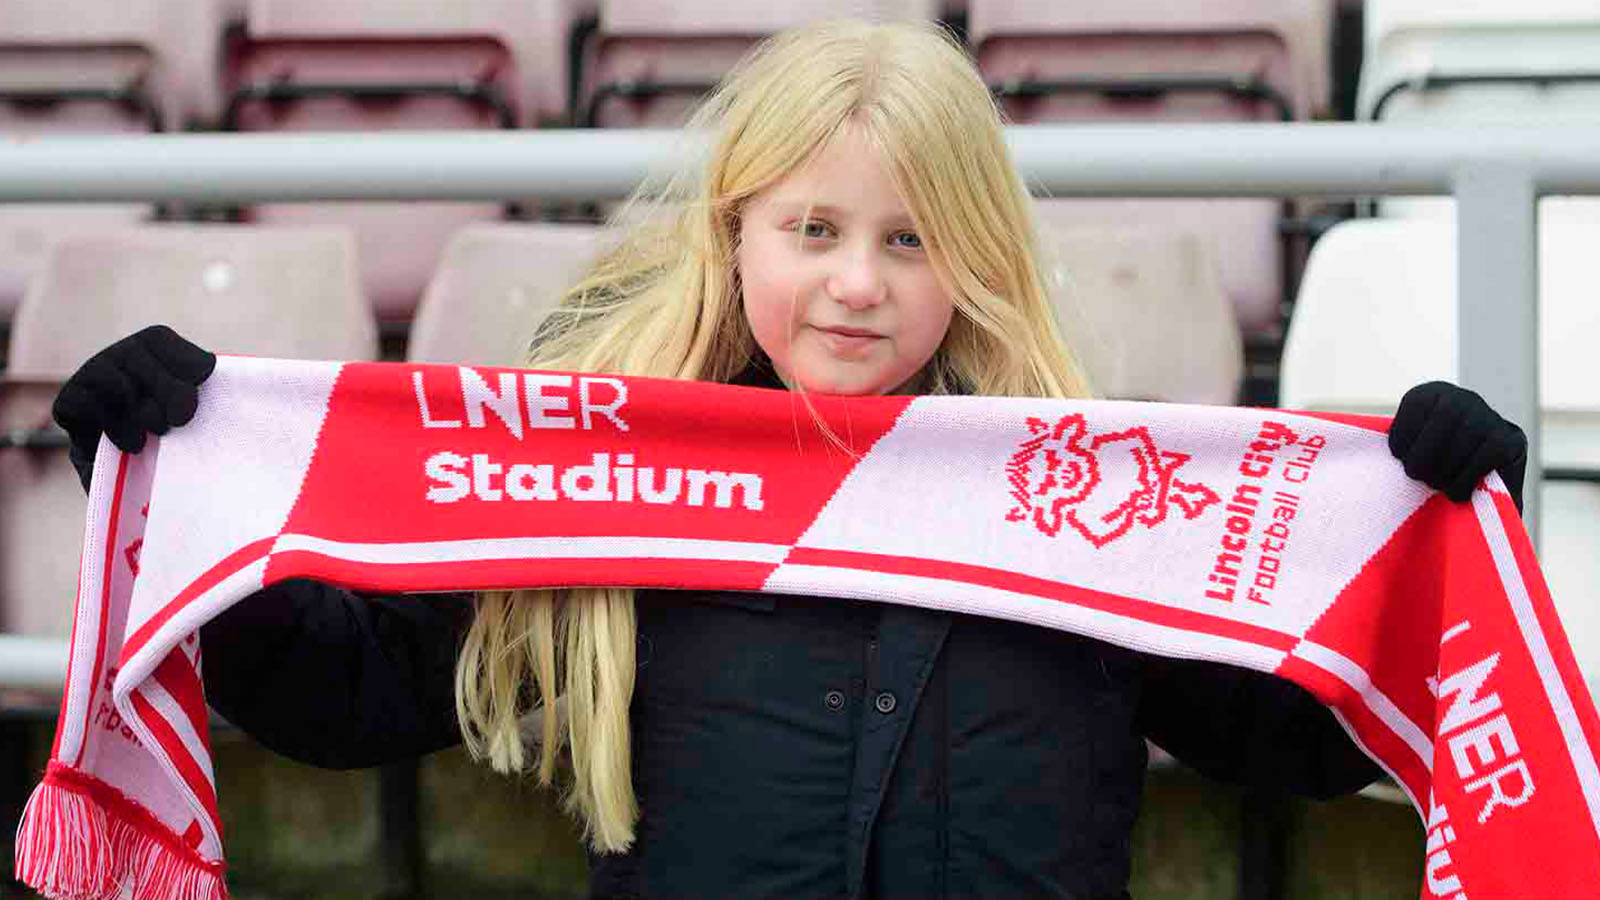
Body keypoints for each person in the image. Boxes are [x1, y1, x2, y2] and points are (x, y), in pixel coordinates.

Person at [51, 21, 1529, 900]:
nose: (857, 286)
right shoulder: (595, 482)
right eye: (811, 233)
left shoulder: (1094, 500)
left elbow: (1295, 742)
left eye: (909, 240)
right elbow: (347, 695)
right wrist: (189, 488)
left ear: (980, 259)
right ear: (735, 236)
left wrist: (1427, 530)